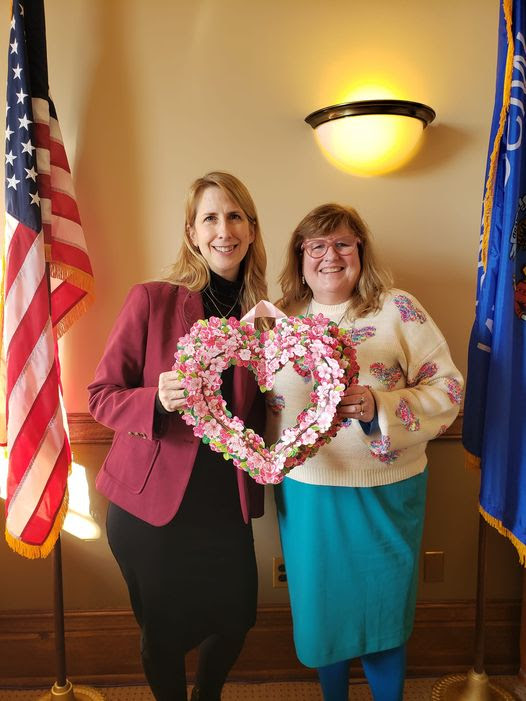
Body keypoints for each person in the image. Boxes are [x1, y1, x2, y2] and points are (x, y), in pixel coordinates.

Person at [266, 203, 463, 701]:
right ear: (300, 256)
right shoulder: (279, 317)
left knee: (383, 615)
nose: (329, 256)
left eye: (342, 244)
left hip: (387, 491)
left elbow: (450, 390)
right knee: (324, 618)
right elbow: (260, 401)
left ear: (360, 252)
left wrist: (381, 404)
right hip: (309, 493)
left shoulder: (397, 308)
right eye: (316, 245)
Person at [88, 172, 268, 701]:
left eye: (235, 216)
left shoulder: (265, 321)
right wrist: (156, 400)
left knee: (236, 618)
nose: (223, 230)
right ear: (192, 233)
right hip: (151, 508)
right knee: (162, 637)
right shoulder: (152, 300)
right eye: (209, 218)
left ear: (252, 230)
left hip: (224, 501)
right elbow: (100, 395)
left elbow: (268, 411)